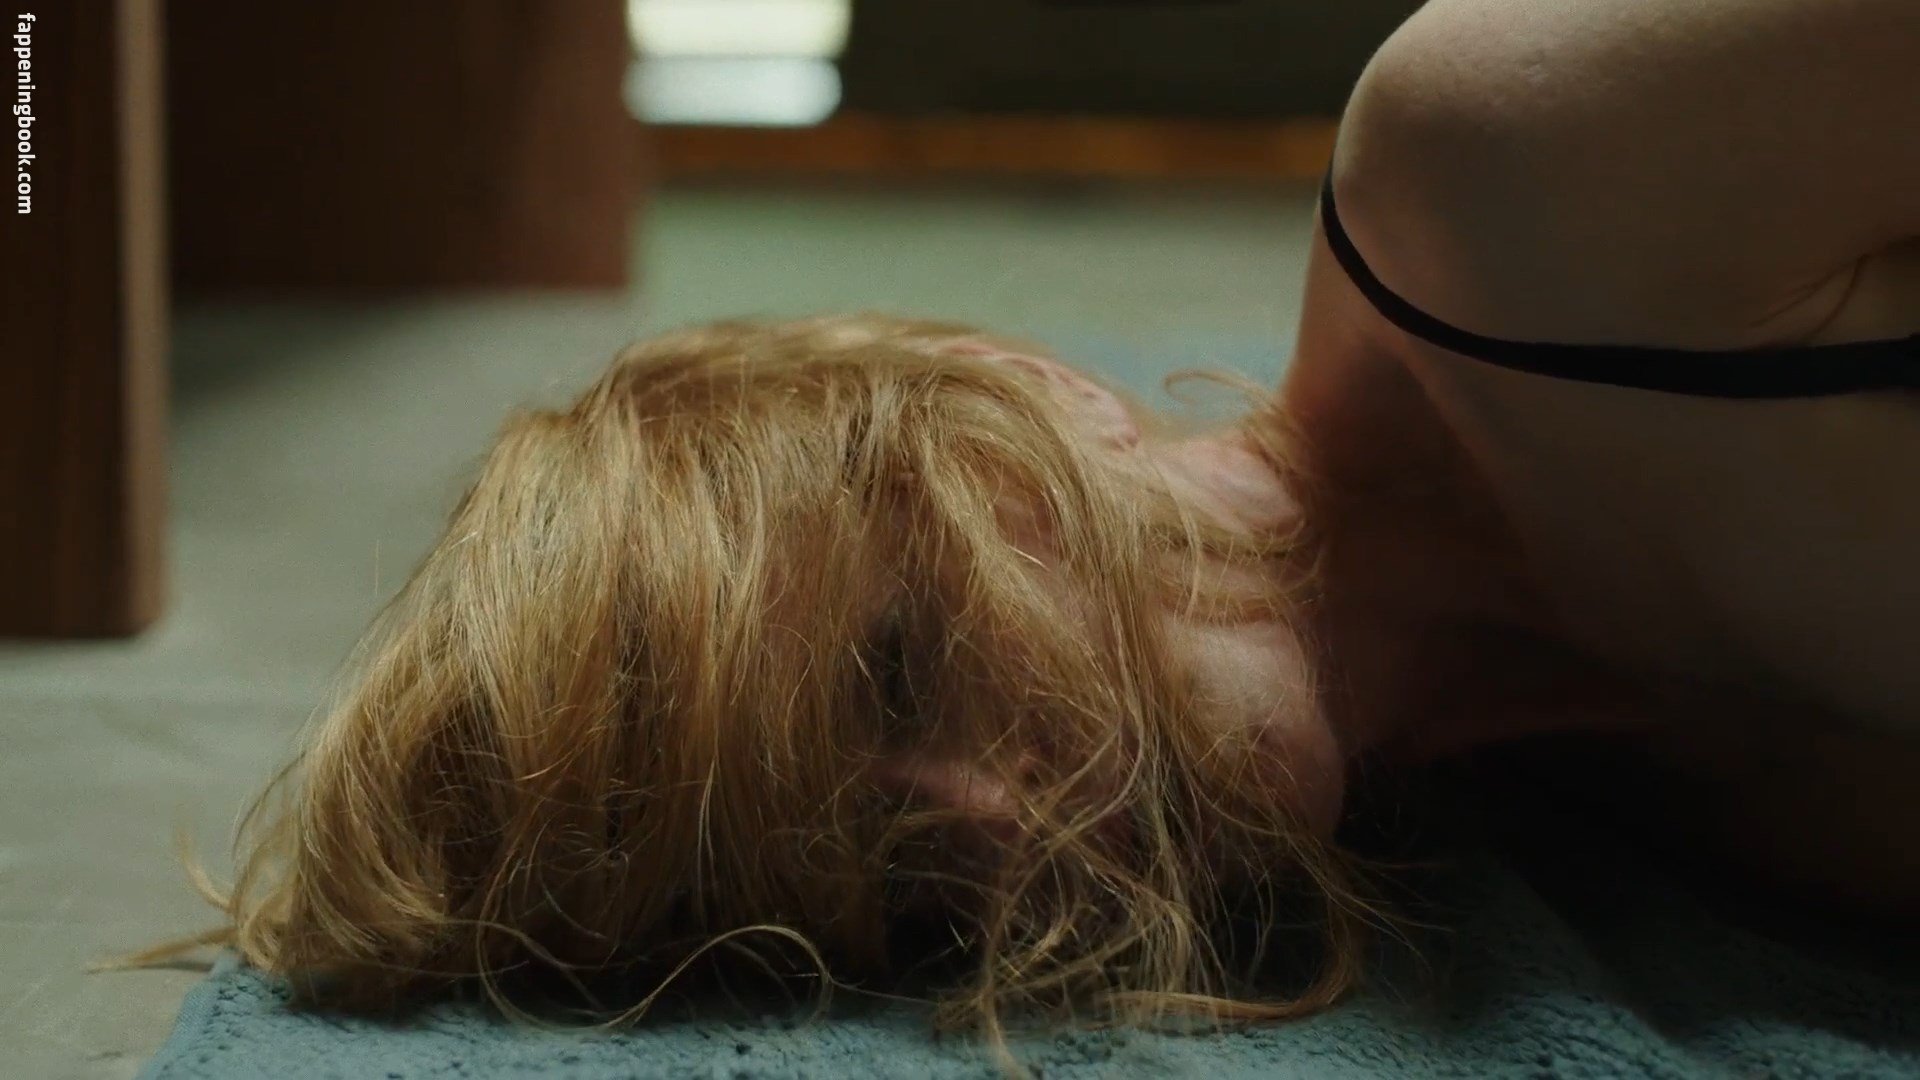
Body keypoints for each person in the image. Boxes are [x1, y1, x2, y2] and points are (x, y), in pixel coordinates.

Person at [159, 0, 1917, 1048]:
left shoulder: (1520, 176)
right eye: (906, 881)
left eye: (901, 664)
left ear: (1014, 389)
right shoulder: (1589, 806)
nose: (1005, 827)